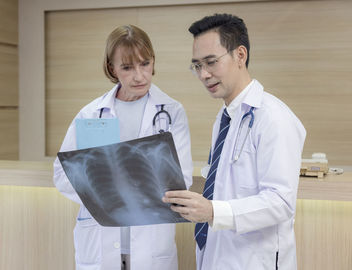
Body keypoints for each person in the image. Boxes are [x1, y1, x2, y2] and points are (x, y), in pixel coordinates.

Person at [162, 13, 306, 269]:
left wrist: (213, 211)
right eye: (197, 65)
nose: (204, 75)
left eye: (211, 62)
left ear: (240, 55)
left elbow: (281, 202)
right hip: (220, 255)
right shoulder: (226, 117)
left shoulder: (273, 117)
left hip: (254, 260)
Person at [53, 25, 193, 270]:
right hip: (100, 239)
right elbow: (62, 174)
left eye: (145, 64)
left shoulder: (171, 112)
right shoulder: (91, 114)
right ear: (112, 68)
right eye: (127, 67)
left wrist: (113, 182)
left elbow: (182, 178)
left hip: (152, 243)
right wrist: (102, 194)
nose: (139, 76)